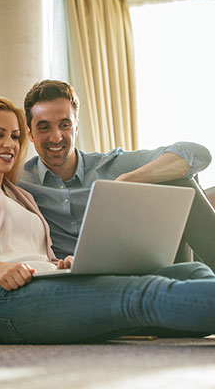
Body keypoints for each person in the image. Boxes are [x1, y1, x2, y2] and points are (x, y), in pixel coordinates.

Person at [0, 94, 215, 345]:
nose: (10, 144)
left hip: (48, 282)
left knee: (193, 273)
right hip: (0, 300)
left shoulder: (19, 194)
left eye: (14, 136)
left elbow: (37, 253)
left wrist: (59, 264)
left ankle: (140, 317)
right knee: (139, 294)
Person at [18, 80, 214, 268]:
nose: (56, 137)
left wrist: (127, 180)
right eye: (44, 127)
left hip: (131, 267)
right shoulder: (18, 181)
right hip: (70, 277)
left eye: (64, 125)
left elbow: (197, 154)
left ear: (76, 127)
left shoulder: (111, 165)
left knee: (179, 182)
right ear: (30, 134)